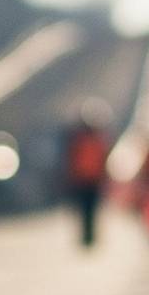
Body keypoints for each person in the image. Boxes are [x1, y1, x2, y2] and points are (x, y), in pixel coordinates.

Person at [61, 100, 112, 249]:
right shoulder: (80, 139)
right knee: (85, 210)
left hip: (92, 179)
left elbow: (103, 159)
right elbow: (73, 159)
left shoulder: (96, 139)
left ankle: (90, 236)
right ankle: (86, 236)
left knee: (91, 210)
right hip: (82, 179)